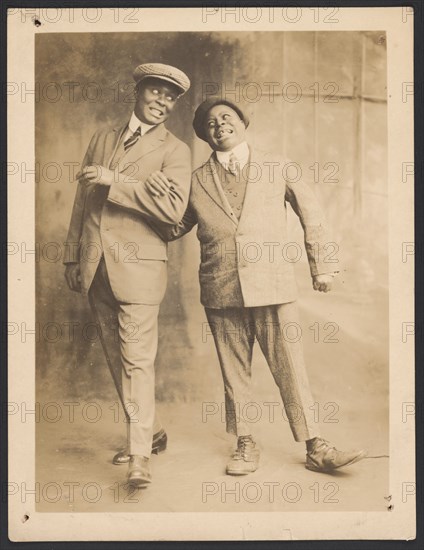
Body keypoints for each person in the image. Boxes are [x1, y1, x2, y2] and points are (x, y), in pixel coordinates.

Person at [146, 98, 367, 475]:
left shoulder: (278, 165)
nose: (219, 125)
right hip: (221, 287)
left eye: (226, 117)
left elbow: (312, 214)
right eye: (210, 123)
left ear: (243, 123)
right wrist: (153, 196)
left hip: (274, 284)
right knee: (234, 372)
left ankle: (316, 445)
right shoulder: (196, 179)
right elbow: (173, 227)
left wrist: (323, 267)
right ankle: (246, 443)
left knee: (291, 367)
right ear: (204, 135)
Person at [63, 63, 192, 487]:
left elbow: (173, 211)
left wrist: (114, 178)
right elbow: (83, 202)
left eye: (170, 98)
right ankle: (151, 434)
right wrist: (71, 257)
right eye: (156, 92)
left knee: (138, 362)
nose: (162, 102)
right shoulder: (102, 137)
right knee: (118, 361)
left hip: (139, 269)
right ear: (137, 91)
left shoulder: (175, 150)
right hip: (94, 265)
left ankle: (140, 457)